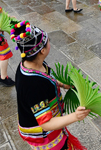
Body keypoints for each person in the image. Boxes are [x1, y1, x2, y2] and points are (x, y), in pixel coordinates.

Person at [13, 22, 89, 150]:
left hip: (43, 117)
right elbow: (46, 124)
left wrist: (62, 84)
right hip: (41, 134)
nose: (50, 43)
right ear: (42, 50)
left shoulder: (32, 64)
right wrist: (75, 116)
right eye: (48, 41)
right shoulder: (33, 85)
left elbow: (48, 78)